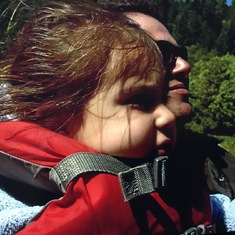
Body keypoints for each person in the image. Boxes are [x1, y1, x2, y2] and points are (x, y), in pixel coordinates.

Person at [0, 0, 215, 234]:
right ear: (57, 113)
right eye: (141, 100)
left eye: (161, 97)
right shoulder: (15, 210)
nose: (166, 116)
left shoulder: (190, 168)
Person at [96, 0, 235, 233]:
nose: (185, 65)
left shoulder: (215, 158)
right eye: (162, 53)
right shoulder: (45, 189)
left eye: (183, 54)